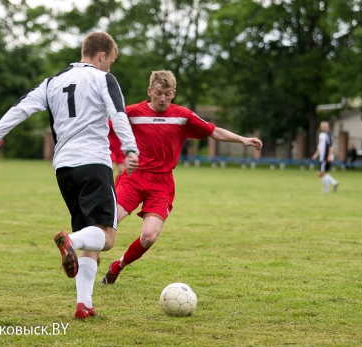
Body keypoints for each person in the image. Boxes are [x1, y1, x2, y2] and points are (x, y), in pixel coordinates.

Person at [0, 32, 139, 319]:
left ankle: (83, 304)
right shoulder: (102, 79)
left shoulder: (52, 82)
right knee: (106, 238)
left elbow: (20, 108)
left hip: (64, 169)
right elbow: (118, 113)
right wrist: (130, 148)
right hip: (94, 164)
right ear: (102, 55)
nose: (110, 65)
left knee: (91, 236)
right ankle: (69, 241)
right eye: (111, 60)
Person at [100, 70, 263, 285]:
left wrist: (243, 139)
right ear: (149, 91)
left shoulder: (182, 116)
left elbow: (213, 131)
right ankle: (80, 256)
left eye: (167, 94)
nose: (162, 98)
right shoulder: (132, 113)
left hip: (162, 183)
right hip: (134, 177)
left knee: (149, 237)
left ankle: (117, 266)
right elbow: (104, 131)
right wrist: (121, 156)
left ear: (173, 93)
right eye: (158, 93)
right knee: (107, 223)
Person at [311, 121, 339, 192]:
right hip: (322, 157)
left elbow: (330, 147)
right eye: (322, 126)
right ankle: (330, 185)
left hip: (325, 157)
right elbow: (320, 146)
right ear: (320, 127)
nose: (323, 127)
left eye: (325, 126)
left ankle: (332, 184)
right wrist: (316, 154)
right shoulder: (321, 135)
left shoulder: (328, 135)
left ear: (328, 127)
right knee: (323, 173)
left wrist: (329, 156)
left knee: (320, 173)